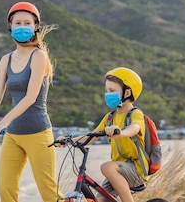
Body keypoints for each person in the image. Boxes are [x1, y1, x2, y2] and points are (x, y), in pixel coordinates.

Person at [0, 1, 60, 202]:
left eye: (26, 23)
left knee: (49, 193)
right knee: (6, 191)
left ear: (36, 26)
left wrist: (3, 122)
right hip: (13, 136)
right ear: (10, 27)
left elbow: (30, 97)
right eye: (17, 22)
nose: (22, 26)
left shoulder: (39, 56)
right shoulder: (6, 59)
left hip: (38, 133)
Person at [56, 67, 148, 202]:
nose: (107, 94)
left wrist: (121, 132)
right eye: (106, 91)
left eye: (112, 91)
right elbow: (90, 136)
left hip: (136, 170)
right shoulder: (110, 118)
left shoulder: (135, 114)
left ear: (127, 92)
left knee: (106, 167)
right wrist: (67, 140)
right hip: (117, 172)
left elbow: (135, 128)